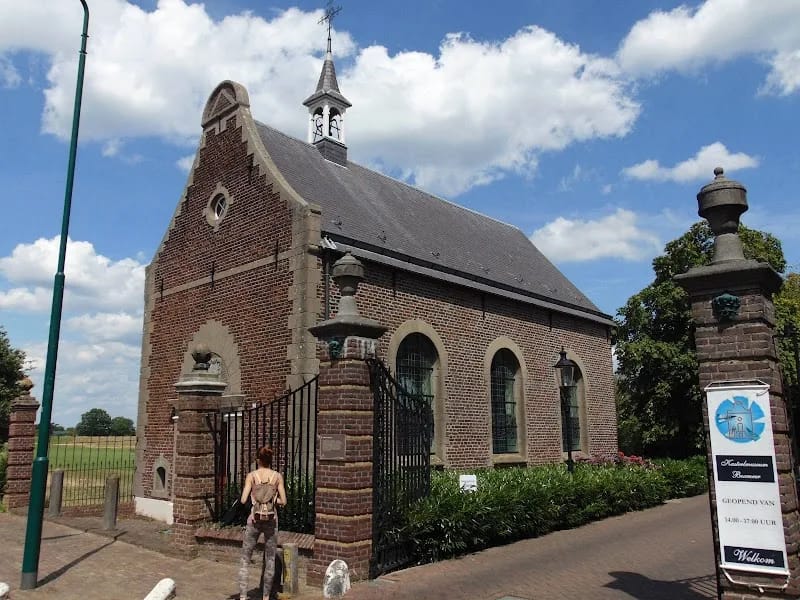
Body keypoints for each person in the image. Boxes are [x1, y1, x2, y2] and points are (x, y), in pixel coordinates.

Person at [237, 446, 287, 600]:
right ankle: (266, 597)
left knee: (246, 558)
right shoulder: (277, 476)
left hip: (254, 519)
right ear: (270, 460)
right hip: (271, 520)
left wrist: (255, 498)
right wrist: (272, 501)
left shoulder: (252, 476)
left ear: (258, 460)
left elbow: (243, 500)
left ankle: (243, 596)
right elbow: (284, 501)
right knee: (270, 558)